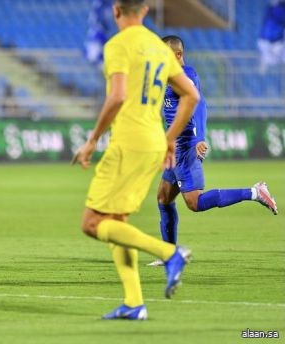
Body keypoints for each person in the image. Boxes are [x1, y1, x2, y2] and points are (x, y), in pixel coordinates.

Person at [71, 0, 200, 320]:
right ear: (144, 11)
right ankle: (134, 303)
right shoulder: (159, 48)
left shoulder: (118, 45)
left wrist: (92, 140)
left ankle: (170, 253)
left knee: (92, 223)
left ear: (116, 10)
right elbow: (192, 96)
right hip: (154, 142)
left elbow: (116, 96)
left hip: (128, 143)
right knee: (117, 222)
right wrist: (169, 139)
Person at [149, 36, 279, 266]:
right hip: (174, 147)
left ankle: (255, 192)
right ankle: (169, 254)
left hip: (186, 146)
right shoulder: (169, 76)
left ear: (178, 55)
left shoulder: (185, 77)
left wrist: (199, 138)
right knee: (163, 197)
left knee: (194, 202)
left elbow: (199, 106)